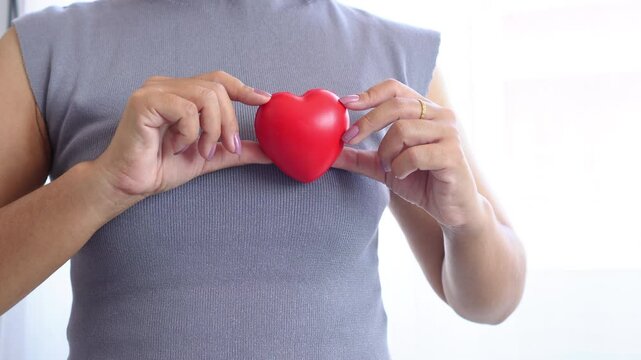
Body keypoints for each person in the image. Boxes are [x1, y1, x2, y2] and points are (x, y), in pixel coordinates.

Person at [0, 0, 526, 358]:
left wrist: (468, 220)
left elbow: (491, 301)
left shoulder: (395, 54)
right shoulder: (43, 49)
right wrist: (102, 186)